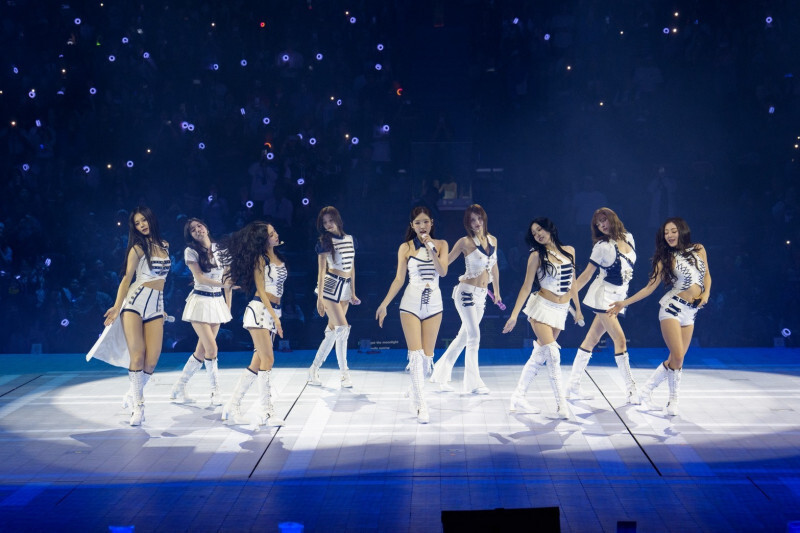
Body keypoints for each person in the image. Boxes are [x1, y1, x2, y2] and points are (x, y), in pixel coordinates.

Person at [609, 217, 711, 416]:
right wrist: (624, 303)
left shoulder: (699, 249)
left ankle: (645, 391)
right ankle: (673, 400)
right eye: (666, 233)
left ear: (681, 231)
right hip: (672, 309)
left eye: (673, 231)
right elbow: (649, 288)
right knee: (678, 356)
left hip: (691, 312)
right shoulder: (665, 258)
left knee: (676, 359)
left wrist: (706, 295)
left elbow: (707, 275)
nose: (669, 235)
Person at [96, 207, 171, 426]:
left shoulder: (165, 245)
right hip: (134, 304)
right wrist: (116, 306)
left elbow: (163, 281)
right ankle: (139, 407)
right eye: (137, 223)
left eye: (144, 220)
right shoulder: (137, 248)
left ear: (151, 219)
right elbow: (127, 278)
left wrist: (162, 306)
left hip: (156, 305)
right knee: (137, 356)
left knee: (152, 361)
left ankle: (132, 392)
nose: (141, 225)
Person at [502, 218, 582, 419]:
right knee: (553, 354)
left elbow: (573, 283)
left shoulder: (569, 251)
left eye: (540, 230)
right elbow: (526, 286)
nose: (538, 234)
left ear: (549, 229)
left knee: (539, 356)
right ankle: (561, 404)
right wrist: (514, 315)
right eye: (534, 233)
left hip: (561, 310)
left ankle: (518, 396)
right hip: (541, 308)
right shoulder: (536, 255)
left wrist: (578, 309)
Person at [376, 206, 449, 423]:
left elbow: (443, 272)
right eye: (417, 223)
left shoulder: (441, 244)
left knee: (427, 358)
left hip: (434, 304)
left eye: (425, 221)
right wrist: (384, 304)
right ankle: (420, 404)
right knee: (415, 356)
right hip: (411, 303)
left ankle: (415, 388)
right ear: (412, 226)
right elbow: (399, 279)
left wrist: (431, 247)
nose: (422, 226)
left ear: (431, 223)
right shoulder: (405, 247)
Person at [219, 222, 287, 426]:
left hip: (273, 312)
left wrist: (276, 315)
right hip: (259, 311)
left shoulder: (278, 256)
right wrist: (275, 318)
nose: (276, 235)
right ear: (263, 239)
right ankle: (267, 412)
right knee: (268, 359)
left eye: (275, 231)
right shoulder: (260, 259)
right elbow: (262, 291)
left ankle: (231, 406)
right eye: (271, 234)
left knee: (257, 364)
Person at [568, 208, 639, 403]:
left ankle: (573, 385)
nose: (602, 225)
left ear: (612, 218)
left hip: (619, 297)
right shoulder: (601, 247)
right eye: (598, 224)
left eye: (603, 220)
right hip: (603, 297)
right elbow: (586, 275)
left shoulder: (629, 237)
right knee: (620, 340)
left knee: (591, 340)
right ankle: (631, 390)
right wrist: (569, 295)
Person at [430, 204, 500, 394]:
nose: (477, 223)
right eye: (472, 220)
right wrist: (433, 254)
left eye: (479, 218)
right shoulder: (465, 242)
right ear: (468, 224)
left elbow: (494, 267)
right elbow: (444, 265)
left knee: (463, 338)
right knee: (474, 336)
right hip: (466, 293)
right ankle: (474, 383)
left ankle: (440, 374)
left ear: (484, 219)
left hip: (482, 296)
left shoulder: (493, 240)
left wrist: (497, 292)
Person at [169, 218, 233, 406]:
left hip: (217, 302)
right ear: (190, 235)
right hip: (200, 301)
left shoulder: (222, 250)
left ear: (206, 227)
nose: (197, 230)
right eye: (192, 229)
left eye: (199, 226)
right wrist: (224, 285)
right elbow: (200, 278)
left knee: (202, 350)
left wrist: (228, 307)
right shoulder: (191, 251)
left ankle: (179, 386)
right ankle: (215, 391)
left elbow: (228, 280)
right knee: (212, 349)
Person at [307, 206, 361, 388]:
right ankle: (345, 375)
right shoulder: (325, 241)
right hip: (330, 288)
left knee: (332, 331)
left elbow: (352, 268)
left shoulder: (351, 239)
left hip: (345, 289)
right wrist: (319, 299)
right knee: (342, 329)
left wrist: (353, 292)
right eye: (325, 222)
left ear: (338, 220)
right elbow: (321, 271)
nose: (328, 224)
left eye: (330, 220)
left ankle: (313, 370)